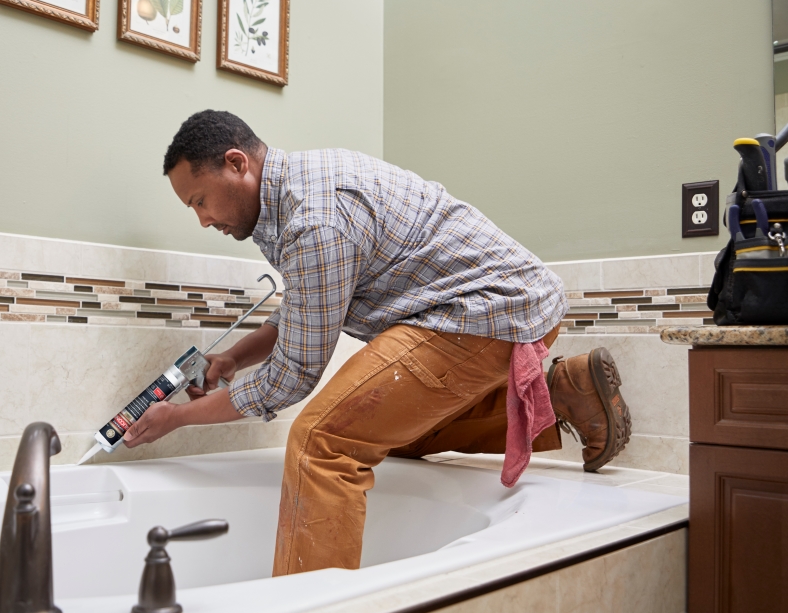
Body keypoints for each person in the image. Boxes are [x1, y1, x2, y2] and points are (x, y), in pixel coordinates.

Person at [123, 110, 632, 576]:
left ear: (237, 164)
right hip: (489, 309)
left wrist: (178, 417)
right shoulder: (286, 202)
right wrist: (235, 356)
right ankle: (565, 390)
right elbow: (307, 306)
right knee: (386, 432)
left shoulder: (313, 217)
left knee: (323, 443)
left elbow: (290, 377)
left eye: (200, 200)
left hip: (483, 311)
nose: (203, 219)